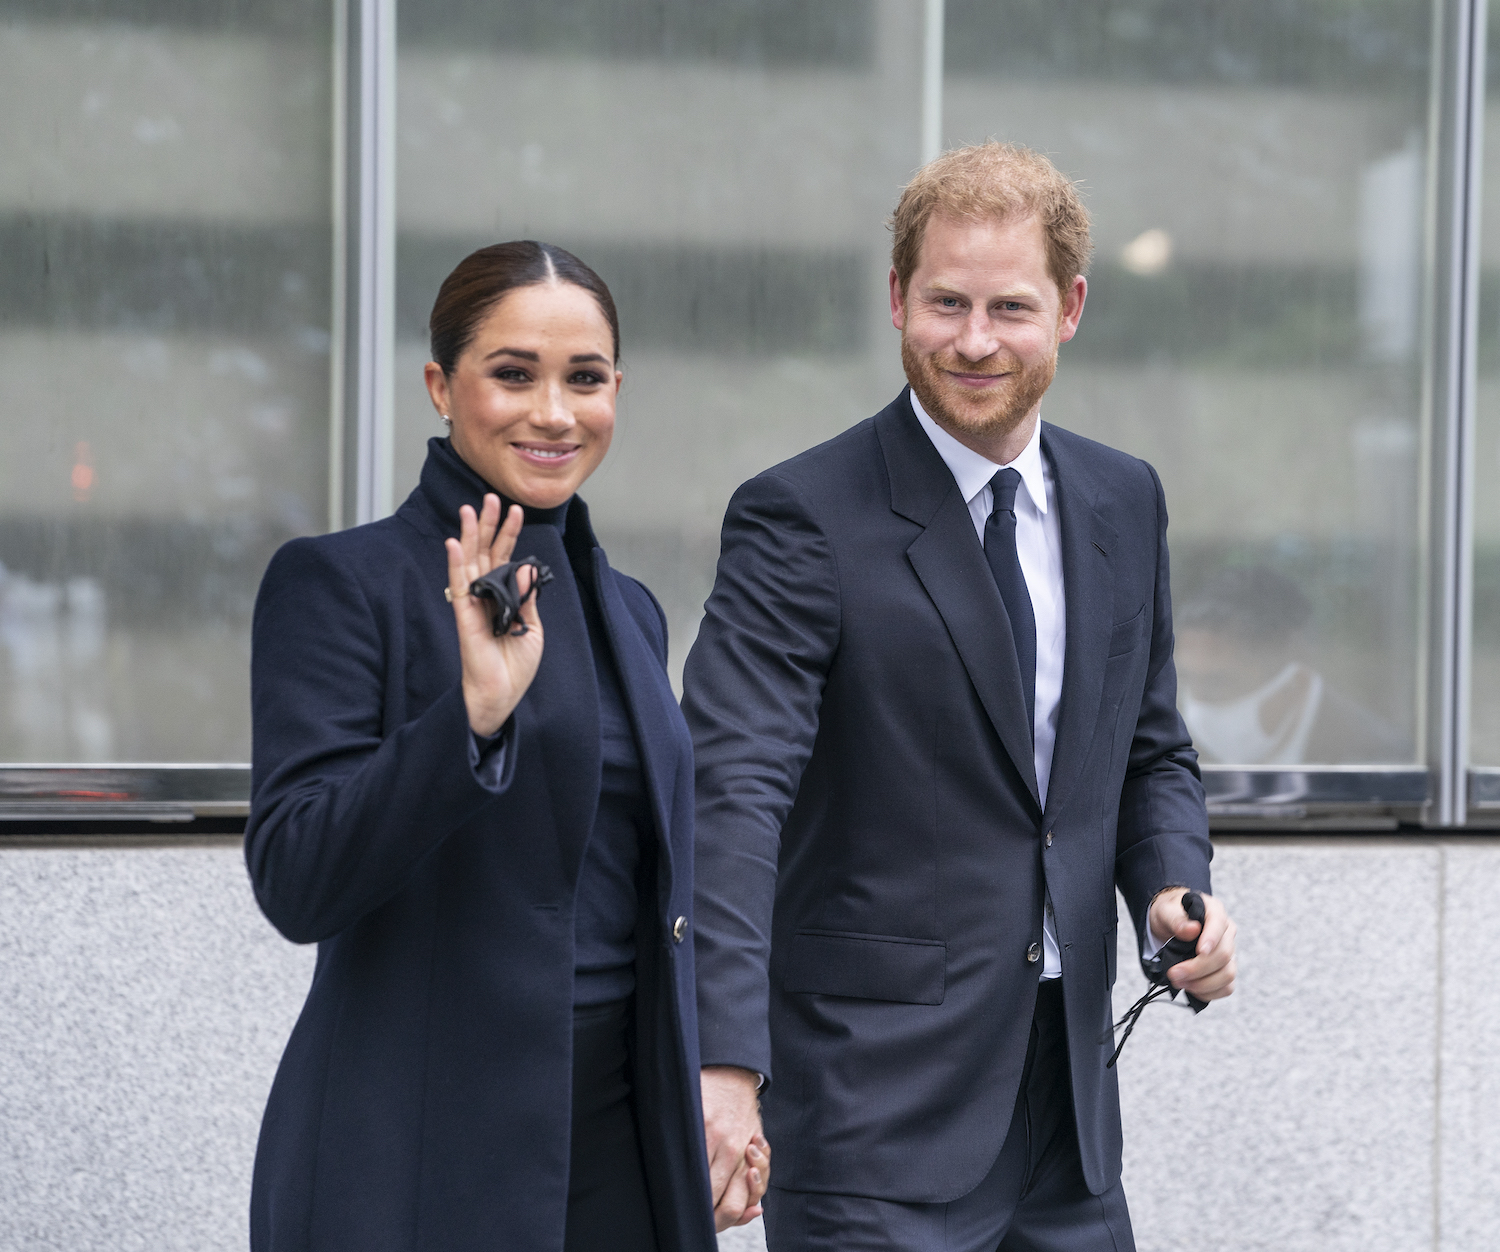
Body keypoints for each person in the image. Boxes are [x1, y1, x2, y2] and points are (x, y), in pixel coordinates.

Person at [684, 143, 1238, 1250]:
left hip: (1069, 1124)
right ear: (897, 298)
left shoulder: (1123, 501)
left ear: (1070, 308)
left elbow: (1146, 750)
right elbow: (730, 797)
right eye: (944, 302)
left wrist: (1176, 889)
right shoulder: (800, 516)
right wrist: (724, 1062)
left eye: (1010, 307)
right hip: (869, 1123)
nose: (975, 340)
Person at [244, 241, 762, 1251]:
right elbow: (296, 880)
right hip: (417, 1151)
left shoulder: (630, 610)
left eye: (587, 378)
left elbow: (663, 887)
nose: (555, 412)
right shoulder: (343, 585)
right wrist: (469, 720)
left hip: (623, 1141)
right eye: (513, 373)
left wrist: (722, 1078)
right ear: (442, 385)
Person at [1175, 564, 1409, 764]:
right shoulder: (1177, 760)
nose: (1198, 705)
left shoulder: (1377, 762)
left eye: (1218, 682)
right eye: (1186, 678)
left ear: (1293, 680)